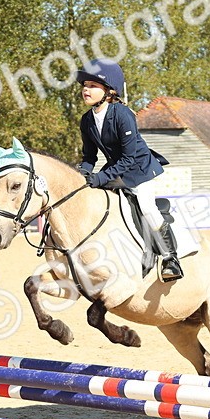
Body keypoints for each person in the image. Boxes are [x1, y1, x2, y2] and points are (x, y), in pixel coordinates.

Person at [75, 58, 181, 282]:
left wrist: (101, 177)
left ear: (108, 90)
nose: (86, 89)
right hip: (116, 169)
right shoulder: (87, 121)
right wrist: (82, 175)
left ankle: (170, 258)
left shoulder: (123, 115)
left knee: (147, 207)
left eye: (93, 85)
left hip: (140, 169)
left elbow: (129, 157)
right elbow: (89, 157)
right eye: (85, 85)